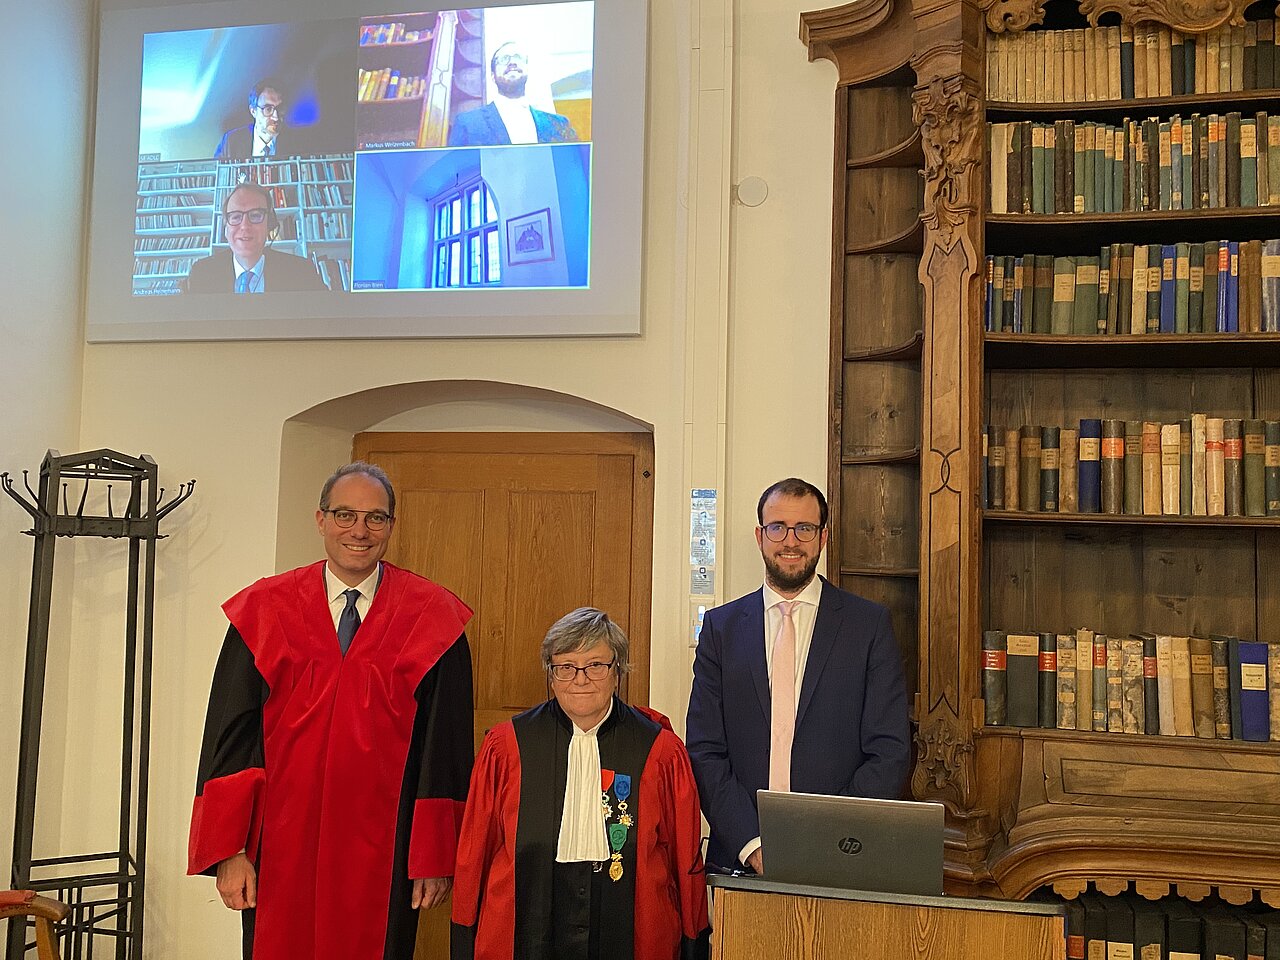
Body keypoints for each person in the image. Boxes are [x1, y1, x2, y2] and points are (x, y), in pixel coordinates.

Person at [188, 462, 475, 960]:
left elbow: (444, 746)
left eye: (375, 517)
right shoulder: (266, 609)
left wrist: (434, 855)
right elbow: (231, 737)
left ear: (391, 525)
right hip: (280, 846)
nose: (359, 531)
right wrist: (231, 851)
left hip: (386, 848)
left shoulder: (431, 616)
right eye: (345, 515)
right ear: (320, 519)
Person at [452, 607, 710, 960]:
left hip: (635, 934)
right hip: (525, 929)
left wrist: (694, 942)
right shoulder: (506, 747)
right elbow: (474, 856)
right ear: (551, 675)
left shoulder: (660, 751)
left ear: (617, 671)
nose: (580, 679)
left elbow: (684, 858)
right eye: (566, 667)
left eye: (595, 665)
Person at [685, 477, 911, 875]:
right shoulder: (721, 629)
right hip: (741, 860)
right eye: (778, 527)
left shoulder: (868, 626)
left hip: (841, 858)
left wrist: (829, 840)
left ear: (822, 537)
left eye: (804, 528)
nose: (790, 541)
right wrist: (751, 843)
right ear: (760, 536)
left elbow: (889, 750)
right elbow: (704, 749)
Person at [185, 183, 329, 293]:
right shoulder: (202, 273)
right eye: (236, 217)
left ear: (269, 224)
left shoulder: (302, 272)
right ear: (226, 229)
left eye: (255, 216)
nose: (244, 226)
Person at [447, 41, 579, 146]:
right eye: (504, 59)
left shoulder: (560, 124)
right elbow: (456, 170)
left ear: (527, 69)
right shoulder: (467, 123)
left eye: (518, 57)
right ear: (493, 76)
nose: (512, 63)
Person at [215, 79, 286, 159]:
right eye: (268, 109)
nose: (276, 117)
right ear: (253, 111)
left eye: (280, 108)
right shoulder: (231, 141)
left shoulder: (294, 140)